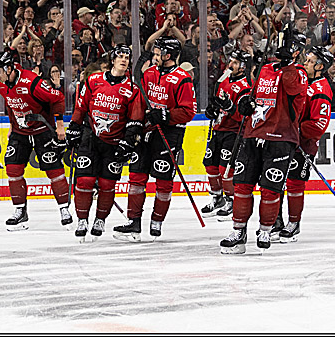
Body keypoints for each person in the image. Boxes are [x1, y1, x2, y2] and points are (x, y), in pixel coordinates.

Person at [220, 31, 309, 254]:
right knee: (242, 186)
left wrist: (287, 65)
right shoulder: (265, 69)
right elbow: (254, 97)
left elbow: (293, 89)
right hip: (252, 134)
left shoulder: (299, 73)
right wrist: (245, 106)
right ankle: (238, 232)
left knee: (270, 188)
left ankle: (266, 229)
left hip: (280, 139)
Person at [113, 38, 196, 242]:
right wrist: (135, 126)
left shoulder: (182, 78)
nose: (155, 56)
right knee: (136, 177)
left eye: (159, 53)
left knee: (163, 180)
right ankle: (134, 222)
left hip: (169, 133)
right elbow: (140, 102)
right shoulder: (149, 74)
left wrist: (166, 115)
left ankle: (157, 221)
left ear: (168, 55)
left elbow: (188, 111)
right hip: (146, 131)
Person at [68, 43, 144, 241]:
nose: (123, 60)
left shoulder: (132, 89)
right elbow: (81, 106)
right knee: (84, 181)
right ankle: (82, 219)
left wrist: (128, 142)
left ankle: (100, 219)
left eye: (127, 57)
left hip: (114, 142)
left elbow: (135, 120)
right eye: (120, 56)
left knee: (107, 183)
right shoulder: (93, 80)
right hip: (90, 137)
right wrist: (74, 127)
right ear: (113, 59)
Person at [0, 50, 71, 231]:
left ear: (9, 68)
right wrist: (12, 125)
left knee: (54, 170)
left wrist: (59, 125)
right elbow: (11, 103)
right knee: (12, 168)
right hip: (20, 132)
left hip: (43, 130)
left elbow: (58, 98)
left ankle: (64, 209)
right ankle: (20, 210)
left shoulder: (31, 81)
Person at [281, 45, 334, 242]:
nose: (305, 63)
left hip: (303, 144)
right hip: (285, 139)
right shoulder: (303, 81)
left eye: (310, 62)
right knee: (276, 180)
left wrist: (296, 130)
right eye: (307, 59)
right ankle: (276, 221)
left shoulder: (321, 90)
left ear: (320, 67)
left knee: (294, 182)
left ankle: (293, 223)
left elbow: (319, 124)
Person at [201, 48, 254, 218]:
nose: (231, 65)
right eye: (231, 61)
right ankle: (217, 198)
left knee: (226, 168)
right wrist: (212, 110)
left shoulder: (246, 87)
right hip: (218, 129)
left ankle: (231, 200)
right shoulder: (223, 80)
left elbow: (244, 116)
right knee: (210, 164)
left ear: (243, 67)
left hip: (233, 132)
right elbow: (218, 104)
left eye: (235, 62)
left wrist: (230, 108)